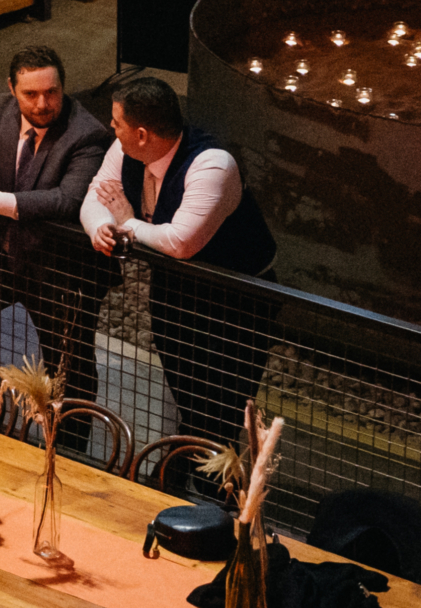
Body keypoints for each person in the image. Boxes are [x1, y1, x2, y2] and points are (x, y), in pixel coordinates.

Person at [78, 75, 280, 445]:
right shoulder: (125, 151)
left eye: (117, 123)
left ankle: (215, 488)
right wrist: (101, 228)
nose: (111, 128)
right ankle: (186, 467)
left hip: (236, 301)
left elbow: (180, 242)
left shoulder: (212, 165)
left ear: (142, 134)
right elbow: (96, 196)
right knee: (187, 396)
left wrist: (128, 223)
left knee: (222, 407)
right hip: (173, 290)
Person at [0, 44, 115, 408]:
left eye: (52, 92)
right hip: (2, 249)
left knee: (68, 367)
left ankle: (67, 451)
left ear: (63, 87)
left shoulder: (87, 134)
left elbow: (67, 200)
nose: (43, 104)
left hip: (61, 263)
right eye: (31, 94)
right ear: (12, 89)